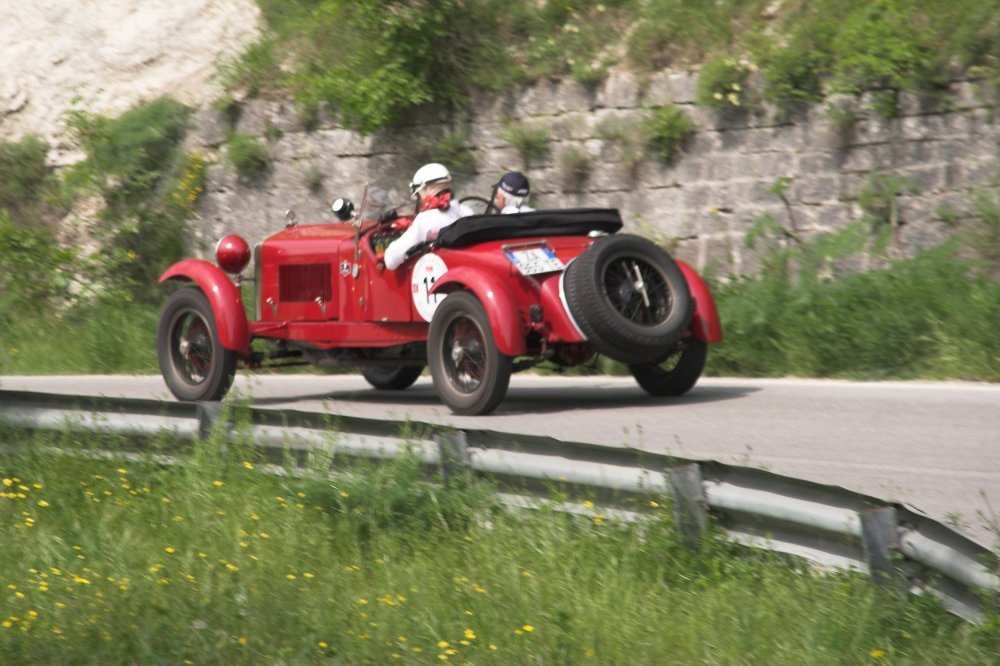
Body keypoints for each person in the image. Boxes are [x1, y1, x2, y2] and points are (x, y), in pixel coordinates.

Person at [383, 163, 472, 270]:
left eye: (419, 194)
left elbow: (391, 260)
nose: (420, 199)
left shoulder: (425, 219)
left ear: (424, 189)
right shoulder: (466, 211)